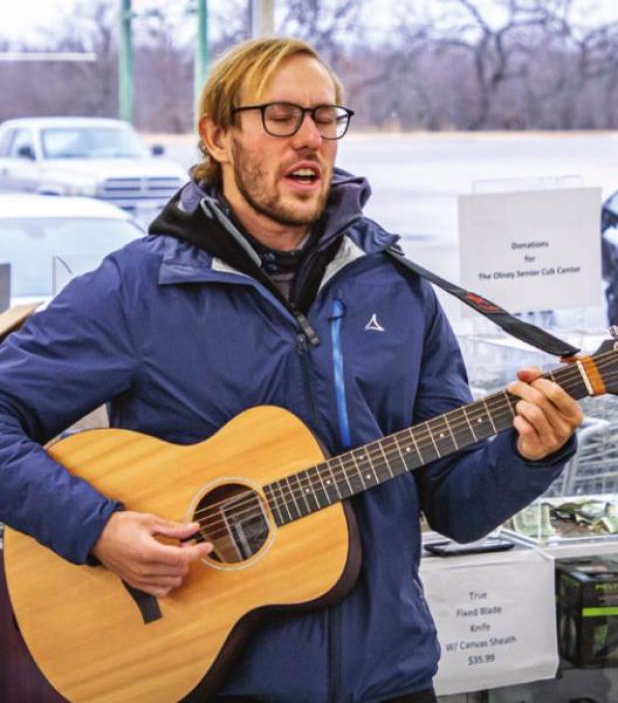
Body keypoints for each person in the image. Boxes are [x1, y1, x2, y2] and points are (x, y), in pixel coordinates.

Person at [0, 37, 582, 703]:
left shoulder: (396, 287)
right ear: (216, 135)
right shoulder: (138, 290)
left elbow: (456, 504)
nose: (311, 138)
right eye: (282, 116)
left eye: (326, 117)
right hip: (211, 680)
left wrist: (530, 454)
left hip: (389, 679)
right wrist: (96, 528)